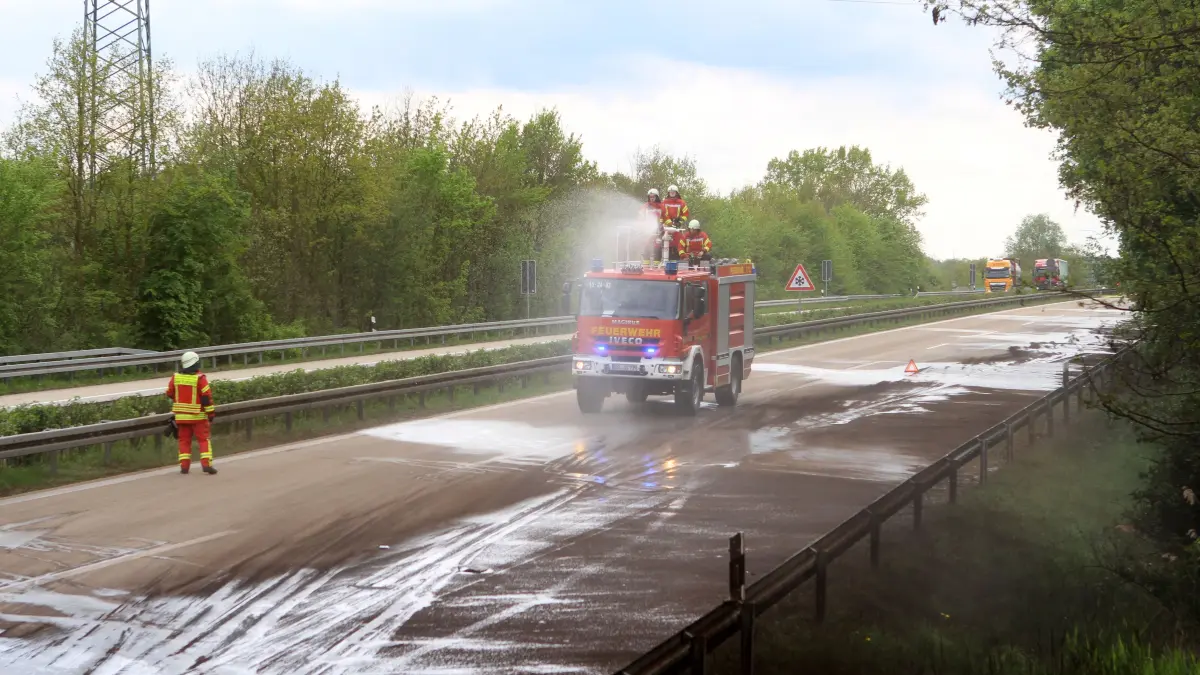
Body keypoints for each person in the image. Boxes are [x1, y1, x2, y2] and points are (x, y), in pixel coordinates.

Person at [166, 351, 217, 475]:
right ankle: (206, 465)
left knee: (184, 441)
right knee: (203, 440)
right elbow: (206, 398)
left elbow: (169, 393)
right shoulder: (200, 378)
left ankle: (184, 467)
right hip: (198, 416)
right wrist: (210, 414)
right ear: (196, 363)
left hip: (181, 417)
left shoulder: (176, 377)